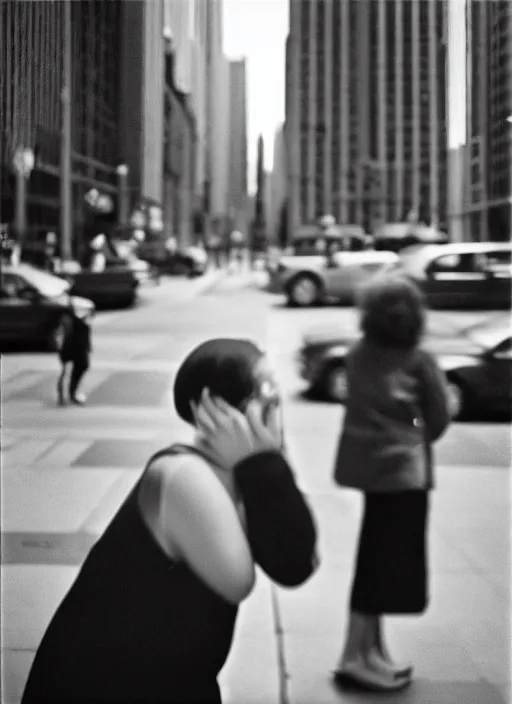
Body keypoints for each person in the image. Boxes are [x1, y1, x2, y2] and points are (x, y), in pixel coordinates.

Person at [24, 338, 318, 703]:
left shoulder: (241, 474)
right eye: (265, 387)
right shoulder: (184, 477)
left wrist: (269, 462)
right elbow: (238, 580)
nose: (276, 400)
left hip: (164, 683)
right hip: (105, 688)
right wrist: (262, 464)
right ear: (217, 405)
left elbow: (298, 561)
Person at [332, 275, 450, 693]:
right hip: (403, 475)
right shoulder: (419, 361)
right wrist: (412, 435)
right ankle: (354, 656)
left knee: (372, 557)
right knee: (381, 565)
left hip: (367, 471)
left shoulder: (358, 355)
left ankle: (371, 651)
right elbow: (438, 418)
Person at [56, 309, 93, 406]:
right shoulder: (70, 318)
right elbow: (64, 333)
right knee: (71, 370)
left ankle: (69, 395)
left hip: (75, 347)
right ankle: (67, 395)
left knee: (76, 369)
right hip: (72, 348)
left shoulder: (76, 318)